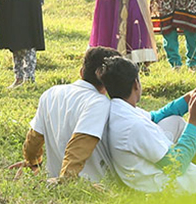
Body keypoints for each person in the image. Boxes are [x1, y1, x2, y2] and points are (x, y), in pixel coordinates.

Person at [100, 56, 196, 193]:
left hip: (163, 166)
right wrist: (194, 120)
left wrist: (186, 100)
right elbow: (177, 165)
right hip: (170, 182)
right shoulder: (135, 126)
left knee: (175, 121)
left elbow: (156, 117)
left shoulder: (121, 110)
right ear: (136, 84)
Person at [12, 46, 120, 182]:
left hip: (54, 176)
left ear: (81, 72)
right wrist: (65, 180)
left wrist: (32, 161)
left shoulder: (51, 93)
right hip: (88, 183)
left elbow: (34, 139)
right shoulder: (98, 102)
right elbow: (80, 144)